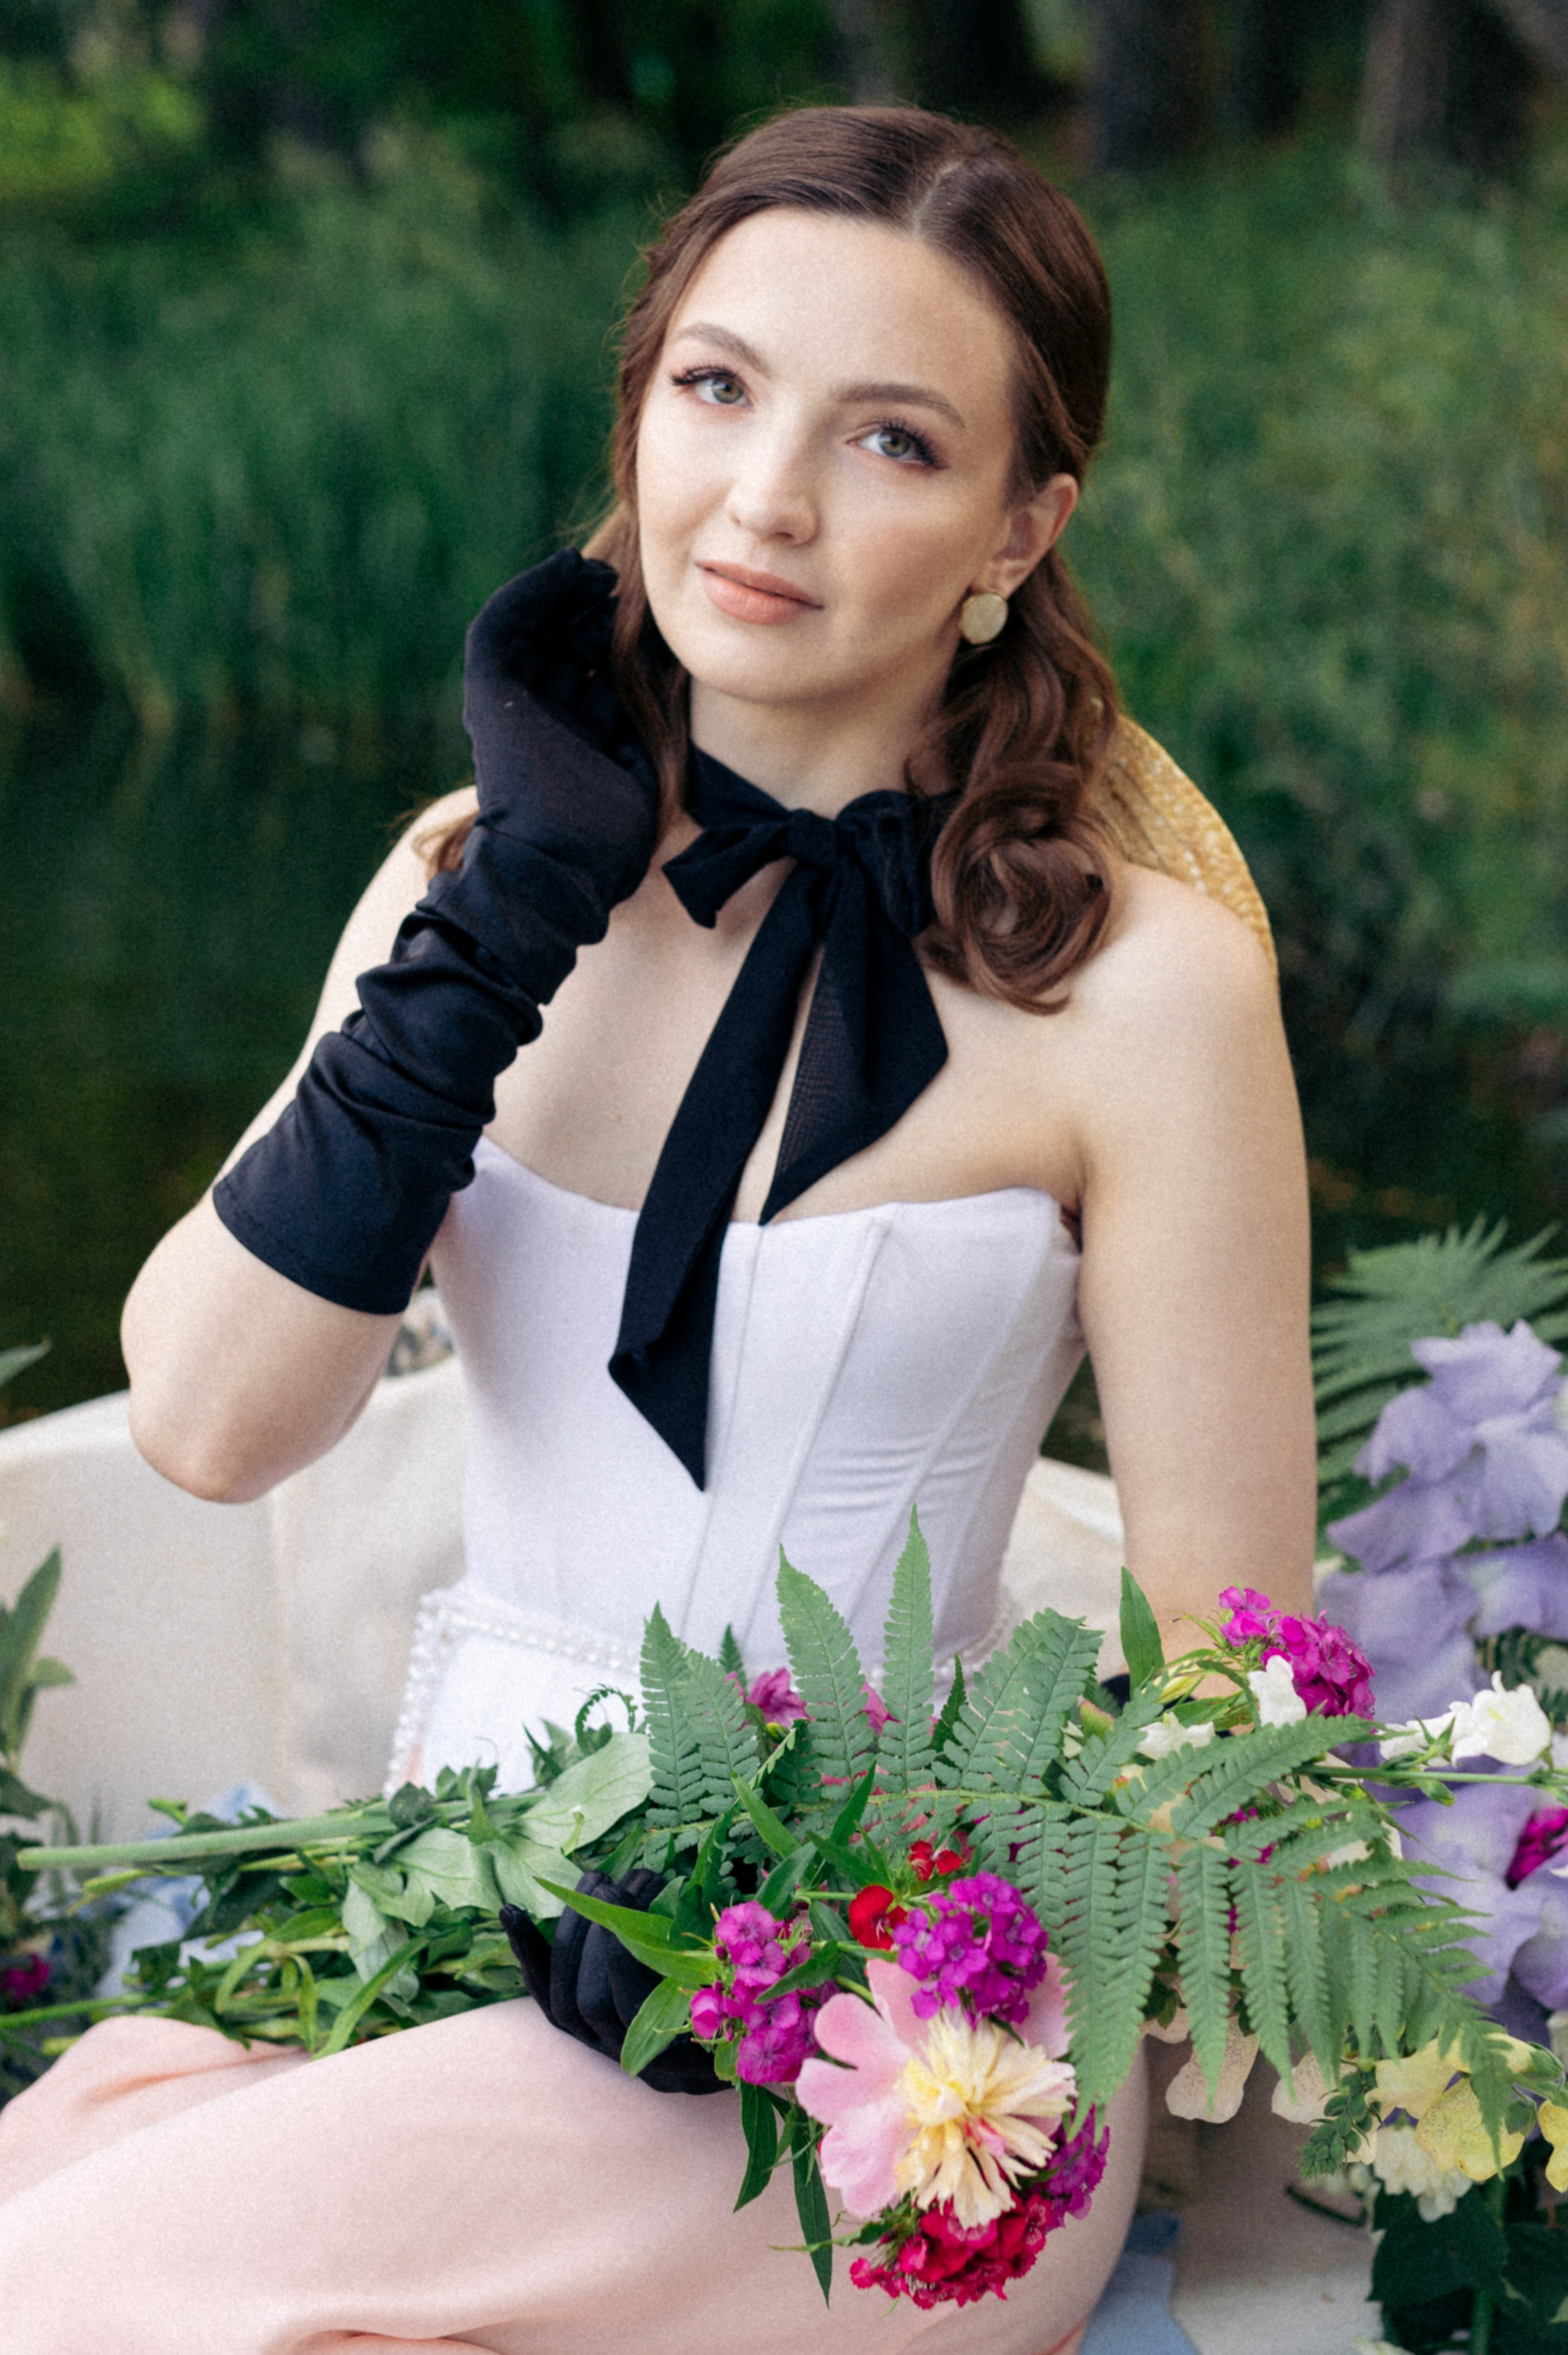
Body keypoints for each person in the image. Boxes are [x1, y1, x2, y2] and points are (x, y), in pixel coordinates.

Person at [0, 104, 1314, 2355]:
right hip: (437, 1944)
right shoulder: (461, 892)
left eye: (891, 439)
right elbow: (214, 1426)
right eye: (717, 388)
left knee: (69, 2282)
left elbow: (1242, 1678)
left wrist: (1020, 1999)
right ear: (637, 418)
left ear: (1022, 524)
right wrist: (513, 900)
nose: (769, 498)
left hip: (900, 2065)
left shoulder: (1144, 996)